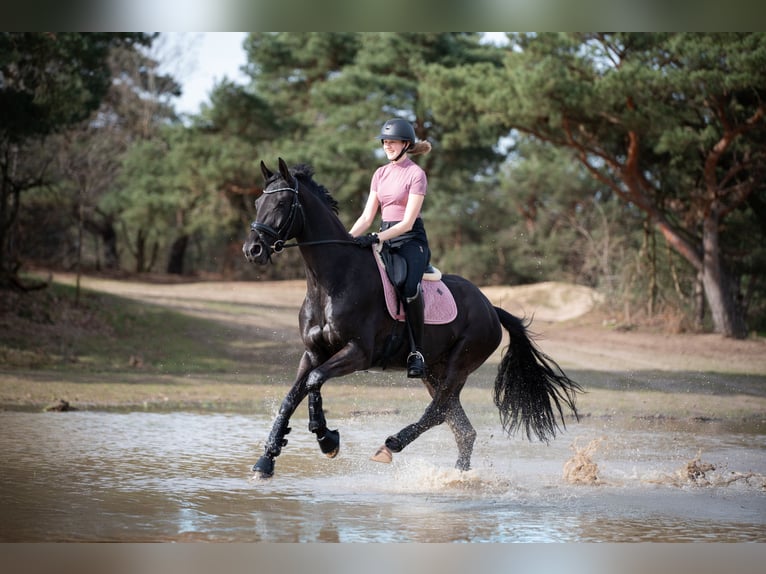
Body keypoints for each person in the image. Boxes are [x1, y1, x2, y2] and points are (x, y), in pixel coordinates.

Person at [349, 118, 432, 378]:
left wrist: (377, 237)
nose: (387, 146)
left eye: (392, 142)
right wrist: (346, 240)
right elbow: (365, 218)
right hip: (384, 235)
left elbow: (407, 222)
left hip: (410, 240)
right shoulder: (380, 173)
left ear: (406, 144)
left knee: (408, 285)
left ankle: (416, 351)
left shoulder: (416, 174)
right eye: (385, 142)